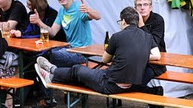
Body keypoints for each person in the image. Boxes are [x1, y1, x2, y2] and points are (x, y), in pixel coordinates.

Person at [34, 7, 163, 96]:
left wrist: (120, 54)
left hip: (110, 85)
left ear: (123, 21)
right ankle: (52, 76)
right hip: (127, 83)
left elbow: (104, 60)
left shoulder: (117, 36)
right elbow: (156, 55)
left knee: (77, 69)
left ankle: (52, 71)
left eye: (120, 21)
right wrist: (137, 55)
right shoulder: (147, 36)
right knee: (82, 77)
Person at [31, 0, 101, 67]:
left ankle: (50, 73)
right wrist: (39, 22)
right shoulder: (61, 11)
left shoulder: (79, 8)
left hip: (82, 51)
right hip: (69, 48)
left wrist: (88, 10)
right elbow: (52, 32)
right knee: (44, 52)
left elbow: (98, 16)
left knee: (51, 55)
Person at [135, 0, 167, 84]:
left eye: (146, 5)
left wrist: (141, 25)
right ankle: (155, 91)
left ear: (150, 7)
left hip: (154, 62)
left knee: (139, 81)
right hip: (136, 59)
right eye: (139, 5)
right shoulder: (132, 20)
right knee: (119, 76)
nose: (142, 8)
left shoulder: (158, 20)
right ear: (135, 8)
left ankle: (154, 92)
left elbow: (153, 43)